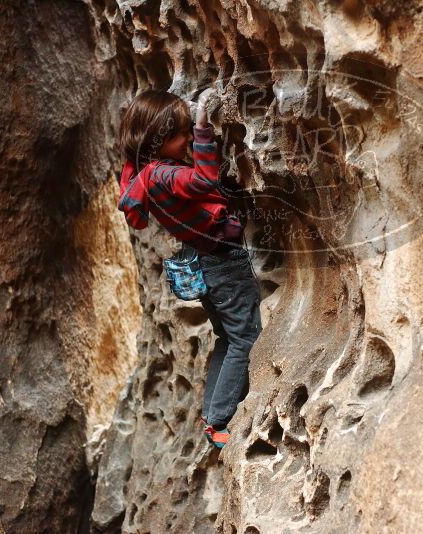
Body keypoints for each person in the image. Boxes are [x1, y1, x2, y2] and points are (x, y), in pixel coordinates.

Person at [116, 87, 262, 449]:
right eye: (179, 133)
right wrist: (201, 127)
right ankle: (218, 422)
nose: (185, 139)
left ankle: (213, 414)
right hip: (223, 260)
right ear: (160, 139)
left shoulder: (140, 172)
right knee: (244, 338)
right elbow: (204, 182)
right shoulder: (164, 174)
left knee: (227, 338)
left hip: (203, 261)